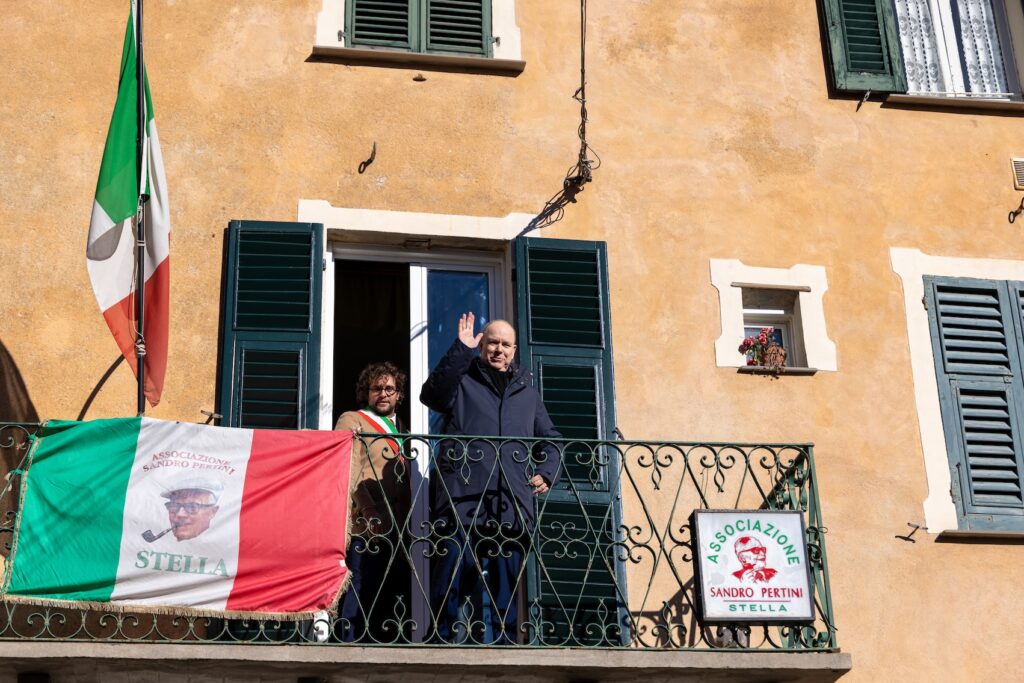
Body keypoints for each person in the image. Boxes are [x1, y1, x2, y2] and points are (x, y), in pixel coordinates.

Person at [420, 312, 561, 645]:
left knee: (504, 579)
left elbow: (551, 437)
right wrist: (460, 349)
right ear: (482, 344)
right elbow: (433, 396)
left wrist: (547, 471)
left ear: (514, 350)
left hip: (510, 499)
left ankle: (504, 640)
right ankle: (442, 637)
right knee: (452, 568)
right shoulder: (464, 378)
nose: (499, 349)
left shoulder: (526, 389)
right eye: (492, 342)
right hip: (463, 495)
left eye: (506, 344)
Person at [333, 361, 410, 642]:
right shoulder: (352, 419)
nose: (383, 393)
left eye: (390, 388)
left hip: (398, 526)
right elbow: (346, 468)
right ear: (366, 392)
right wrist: (368, 507)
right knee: (359, 588)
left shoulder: (401, 426)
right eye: (376, 388)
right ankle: (348, 646)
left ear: (399, 394)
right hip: (365, 523)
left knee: (385, 593)